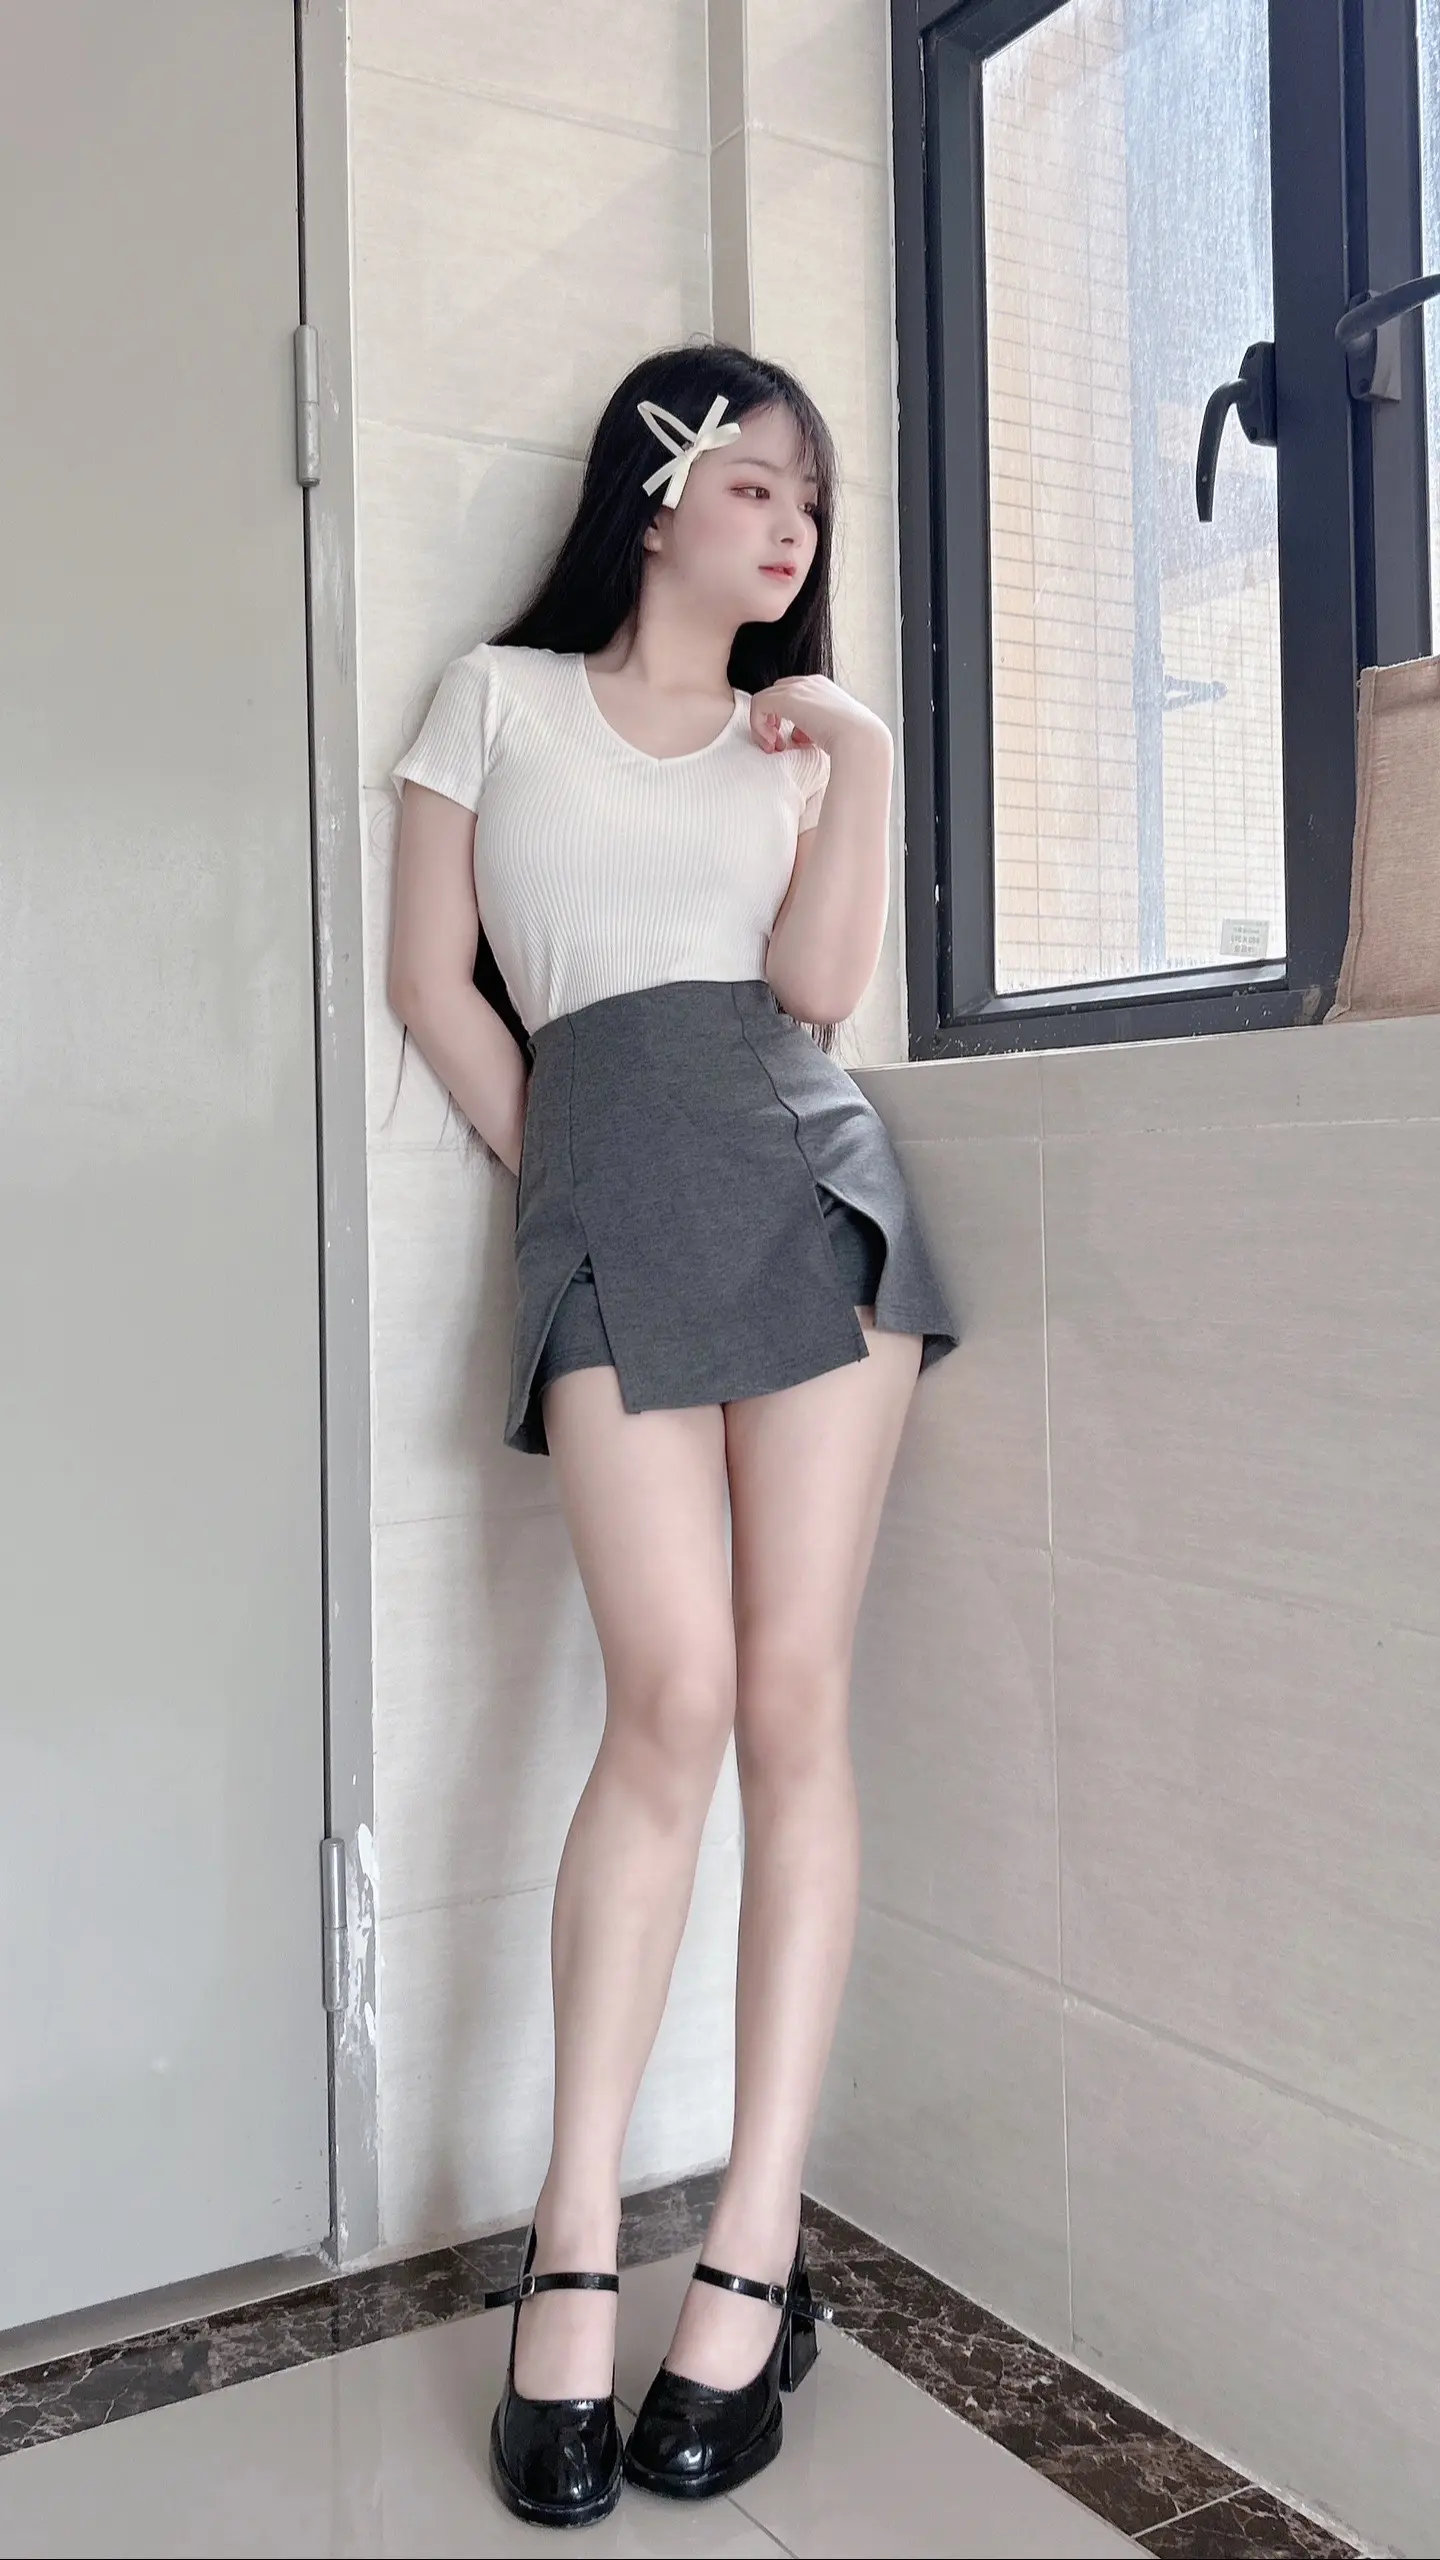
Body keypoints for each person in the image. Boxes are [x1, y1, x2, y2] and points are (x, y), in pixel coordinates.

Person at [387, 338, 960, 2528]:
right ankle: (570, 2244)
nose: (792, 520)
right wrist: (571, 1185)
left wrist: (863, 753)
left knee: (792, 1704)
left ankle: (751, 2249)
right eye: (755, 479)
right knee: (673, 1706)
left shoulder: (790, 747)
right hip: (611, 1211)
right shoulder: (497, 701)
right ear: (655, 490)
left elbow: (816, 998)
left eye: (812, 494)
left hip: (808, 1196)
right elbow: (436, 978)